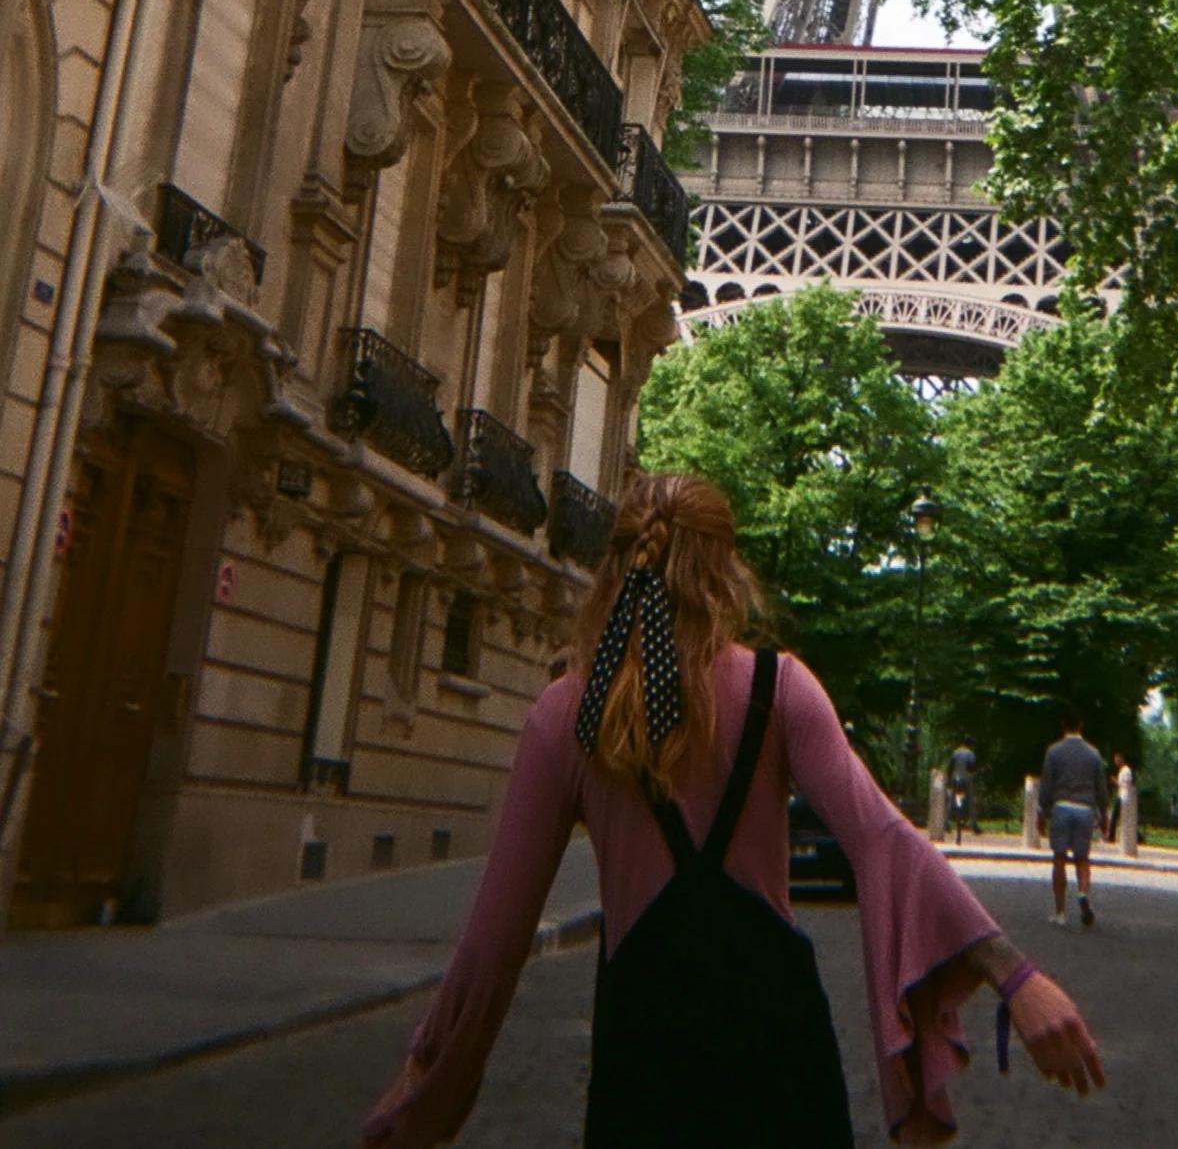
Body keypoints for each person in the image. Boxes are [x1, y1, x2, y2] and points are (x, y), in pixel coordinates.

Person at [361, 473, 1104, 1146]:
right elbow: (883, 838)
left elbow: (493, 941)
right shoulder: (781, 690)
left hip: (642, 1063)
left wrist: (424, 1077)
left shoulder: (566, 715)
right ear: (724, 572)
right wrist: (1013, 975)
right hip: (777, 1055)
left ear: (617, 566)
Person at [1036, 709, 1110, 929]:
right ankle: (1082, 893)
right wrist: (1104, 815)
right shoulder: (1093, 754)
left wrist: (1041, 811)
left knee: (1059, 858)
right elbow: (1101, 788)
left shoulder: (1053, 752)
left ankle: (1060, 912)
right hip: (1085, 809)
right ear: (1081, 724)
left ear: (1062, 724)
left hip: (1061, 806)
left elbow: (1046, 784)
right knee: (1082, 858)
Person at [945, 739, 977, 844]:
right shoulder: (970, 754)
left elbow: (950, 767)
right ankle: (973, 824)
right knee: (971, 800)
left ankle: (946, 822)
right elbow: (971, 767)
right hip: (965, 779)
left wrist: (948, 780)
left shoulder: (956, 752)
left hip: (955, 779)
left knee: (951, 800)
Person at [1107, 751, 1129, 844]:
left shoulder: (1125, 771)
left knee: (1115, 816)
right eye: (1115, 760)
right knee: (1116, 816)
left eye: (1118, 760)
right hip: (1121, 795)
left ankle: (1111, 837)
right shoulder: (1122, 771)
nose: (1116, 762)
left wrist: (1115, 781)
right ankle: (1111, 836)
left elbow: (1125, 784)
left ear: (1122, 759)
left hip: (1123, 796)